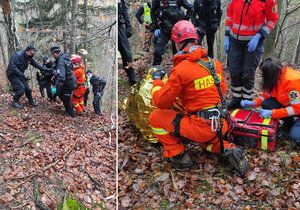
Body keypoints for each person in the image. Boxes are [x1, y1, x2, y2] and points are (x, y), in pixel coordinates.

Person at [148, 20, 249, 175]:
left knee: (155, 117)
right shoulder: (214, 64)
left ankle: (178, 155)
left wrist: (156, 81)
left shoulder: (181, 69)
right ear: (196, 40)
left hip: (201, 127)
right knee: (205, 143)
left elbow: (160, 102)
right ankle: (228, 148)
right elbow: (222, 89)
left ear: (177, 43)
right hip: (221, 124)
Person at [224, 0, 279, 109]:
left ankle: (247, 99)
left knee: (248, 72)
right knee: (234, 71)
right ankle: (236, 99)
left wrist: (259, 35)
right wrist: (226, 35)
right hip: (234, 40)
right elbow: (230, 15)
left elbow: (272, 19)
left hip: (253, 42)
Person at [240, 58, 300, 147]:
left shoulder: (292, 82)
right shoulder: (275, 77)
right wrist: (253, 103)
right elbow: (266, 95)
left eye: (263, 74)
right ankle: (289, 124)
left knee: (295, 137)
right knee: (267, 103)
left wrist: (272, 113)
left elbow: (297, 109)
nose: (262, 76)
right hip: (292, 106)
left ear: (269, 74)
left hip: (297, 108)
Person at [151, 0, 195, 65]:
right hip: (164, 29)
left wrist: (184, 21)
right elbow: (152, 12)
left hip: (178, 30)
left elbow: (191, 8)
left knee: (177, 53)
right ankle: (155, 68)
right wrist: (156, 27)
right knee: (158, 50)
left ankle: (178, 69)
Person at [6, 44, 48, 108]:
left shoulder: (29, 57)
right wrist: (22, 76)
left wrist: (46, 69)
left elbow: (36, 65)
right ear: (30, 51)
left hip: (20, 75)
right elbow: (13, 67)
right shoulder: (18, 55)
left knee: (28, 89)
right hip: (12, 74)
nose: (34, 53)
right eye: (34, 51)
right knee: (21, 89)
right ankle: (14, 102)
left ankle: (31, 101)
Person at [51, 45, 77, 117]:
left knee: (66, 98)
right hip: (70, 81)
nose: (53, 56)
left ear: (55, 53)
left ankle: (71, 114)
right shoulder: (66, 57)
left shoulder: (61, 61)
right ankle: (70, 108)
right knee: (60, 93)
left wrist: (55, 86)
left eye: (53, 54)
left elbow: (62, 77)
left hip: (69, 83)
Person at [118, 0, 137, 85]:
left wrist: (128, 26)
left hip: (120, 25)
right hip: (108, 26)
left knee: (126, 53)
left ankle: (131, 76)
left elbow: (125, 11)